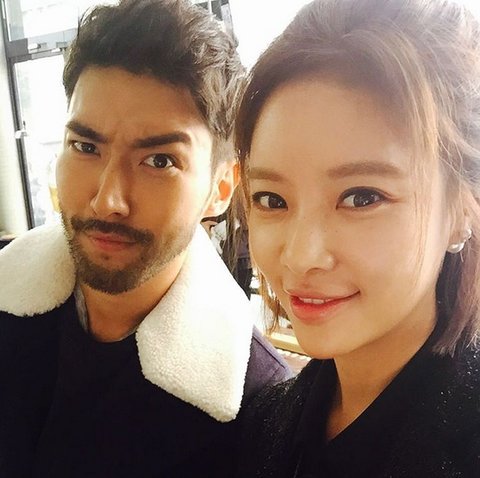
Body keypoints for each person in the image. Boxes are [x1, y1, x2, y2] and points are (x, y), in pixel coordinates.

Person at [0, 1, 291, 476]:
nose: (107, 201)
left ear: (221, 188)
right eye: (86, 147)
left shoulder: (255, 408)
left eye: (159, 161)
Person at [234, 0, 480, 476]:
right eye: (272, 199)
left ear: (461, 208)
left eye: (362, 197)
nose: (301, 256)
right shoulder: (264, 422)